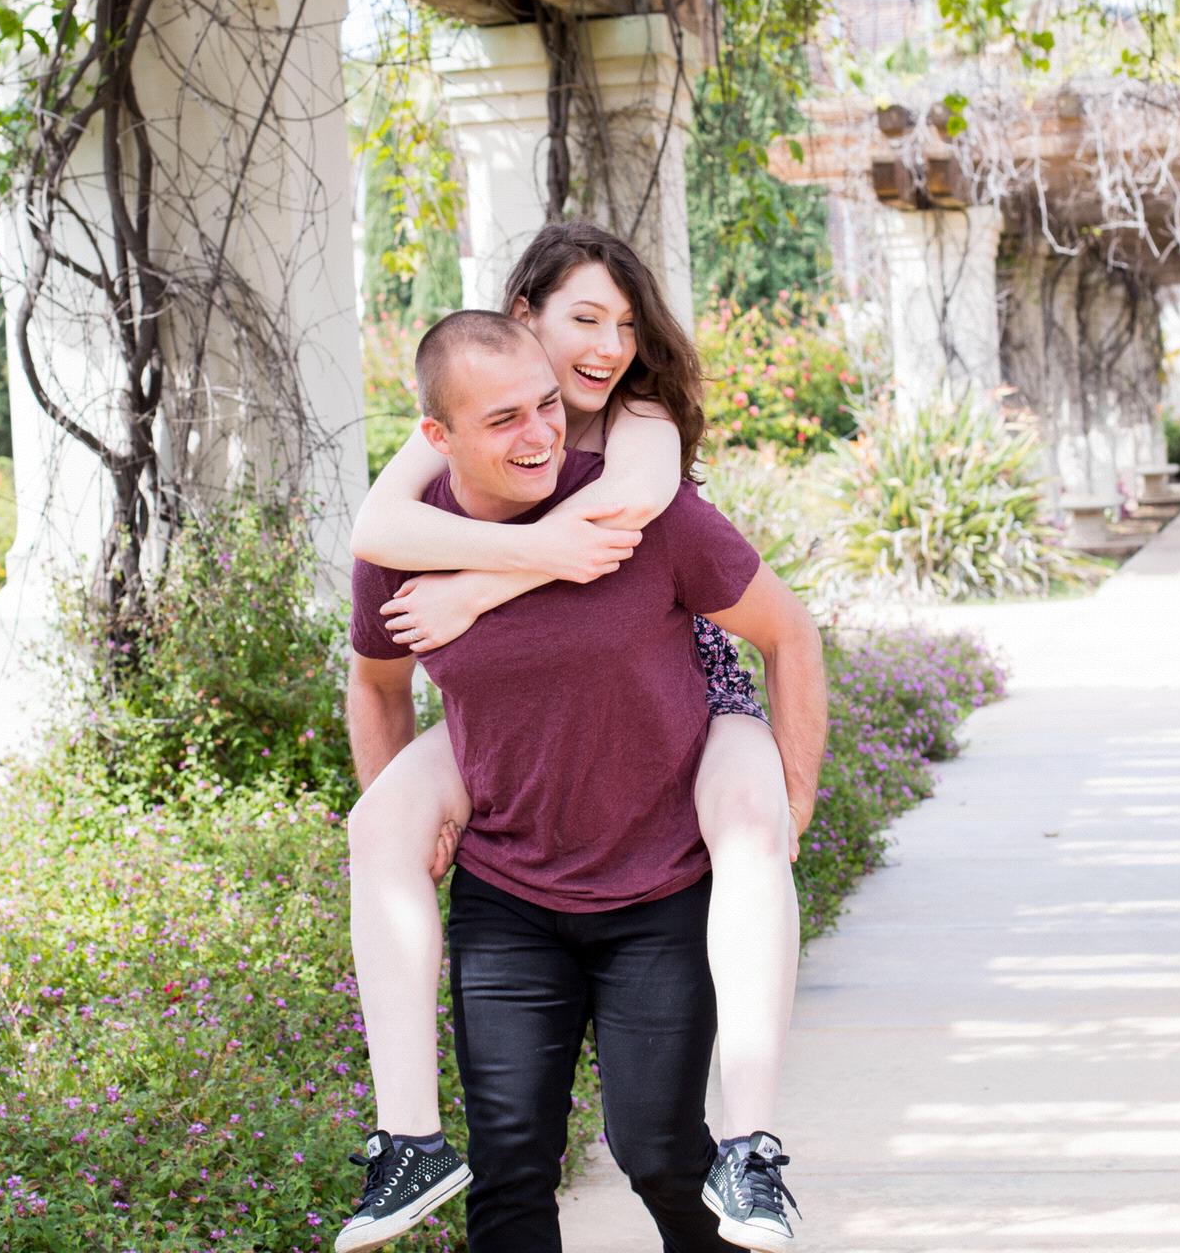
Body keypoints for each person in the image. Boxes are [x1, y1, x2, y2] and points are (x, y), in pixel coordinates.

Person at [338, 233, 824, 1253]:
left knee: (658, 1149)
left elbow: (770, 621)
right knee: (508, 1161)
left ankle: (750, 1146)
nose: (604, 348)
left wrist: (796, 801)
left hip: (671, 791)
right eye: (584, 320)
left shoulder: (637, 460)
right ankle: (407, 1140)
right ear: (524, 318)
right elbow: (376, 623)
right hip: (511, 878)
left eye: (623, 324)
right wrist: (425, 827)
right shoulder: (419, 507)